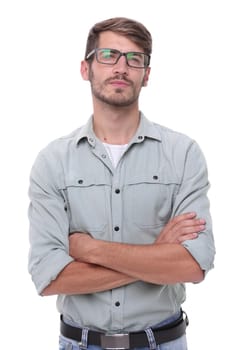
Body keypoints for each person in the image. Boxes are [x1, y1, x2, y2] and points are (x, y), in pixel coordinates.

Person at [28, 17, 215, 350]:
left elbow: (192, 265)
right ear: (86, 69)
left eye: (134, 59)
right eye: (108, 55)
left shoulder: (182, 154)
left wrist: (89, 249)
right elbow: (50, 278)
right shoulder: (53, 161)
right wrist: (158, 256)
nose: (121, 67)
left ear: (146, 75)